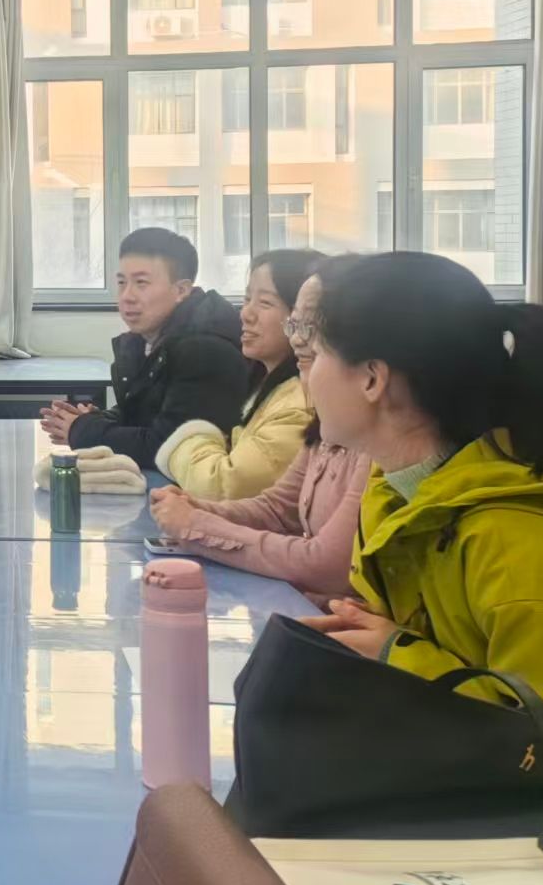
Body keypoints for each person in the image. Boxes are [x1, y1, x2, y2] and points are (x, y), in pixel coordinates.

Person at [300, 251, 543, 707]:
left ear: (373, 379)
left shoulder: (518, 548)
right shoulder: (396, 498)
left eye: (317, 353)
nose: (307, 373)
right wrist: (369, 633)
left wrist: (396, 654)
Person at [148, 257, 369, 604]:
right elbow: (278, 510)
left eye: (310, 326)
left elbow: (327, 566)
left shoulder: (371, 443)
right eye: (295, 325)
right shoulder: (324, 422)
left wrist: (195, 524)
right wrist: (197, 510)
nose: (299, 339)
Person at [43, 228, 251, 469]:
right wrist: (92, 420)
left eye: (141, 283)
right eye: (122, 283)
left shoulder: (203, 350)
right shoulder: (149, 338)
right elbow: (142, 412)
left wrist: (84, 431)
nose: (126, 296)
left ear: (181, 290)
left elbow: (165, 447)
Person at [152, 250, 321, 500]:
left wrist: (191, 439)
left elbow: (222, 485)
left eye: (265, 303)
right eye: (247, 298)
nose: (246, 314)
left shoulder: (298, 406)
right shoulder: (267, 385)